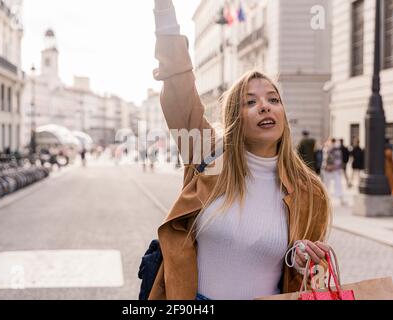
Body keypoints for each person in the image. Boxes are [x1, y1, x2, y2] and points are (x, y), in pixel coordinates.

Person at [148, 0, 332, 301]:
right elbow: (179, 87)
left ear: (283, 114)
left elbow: (306, 274)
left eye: (273, 99)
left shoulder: (310, 191)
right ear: (235, 117)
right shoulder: (209, 156)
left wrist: (301, 259)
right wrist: (164, 11)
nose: (264, 105)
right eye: (250, 102)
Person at [321, 138, 345, 205]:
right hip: (332, 169)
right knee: (335, 184)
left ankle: (325, 199)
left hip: (331, 169)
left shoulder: (328, 149)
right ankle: (325, 199)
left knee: (330, 184)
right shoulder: (329, 149)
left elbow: (324, 160)